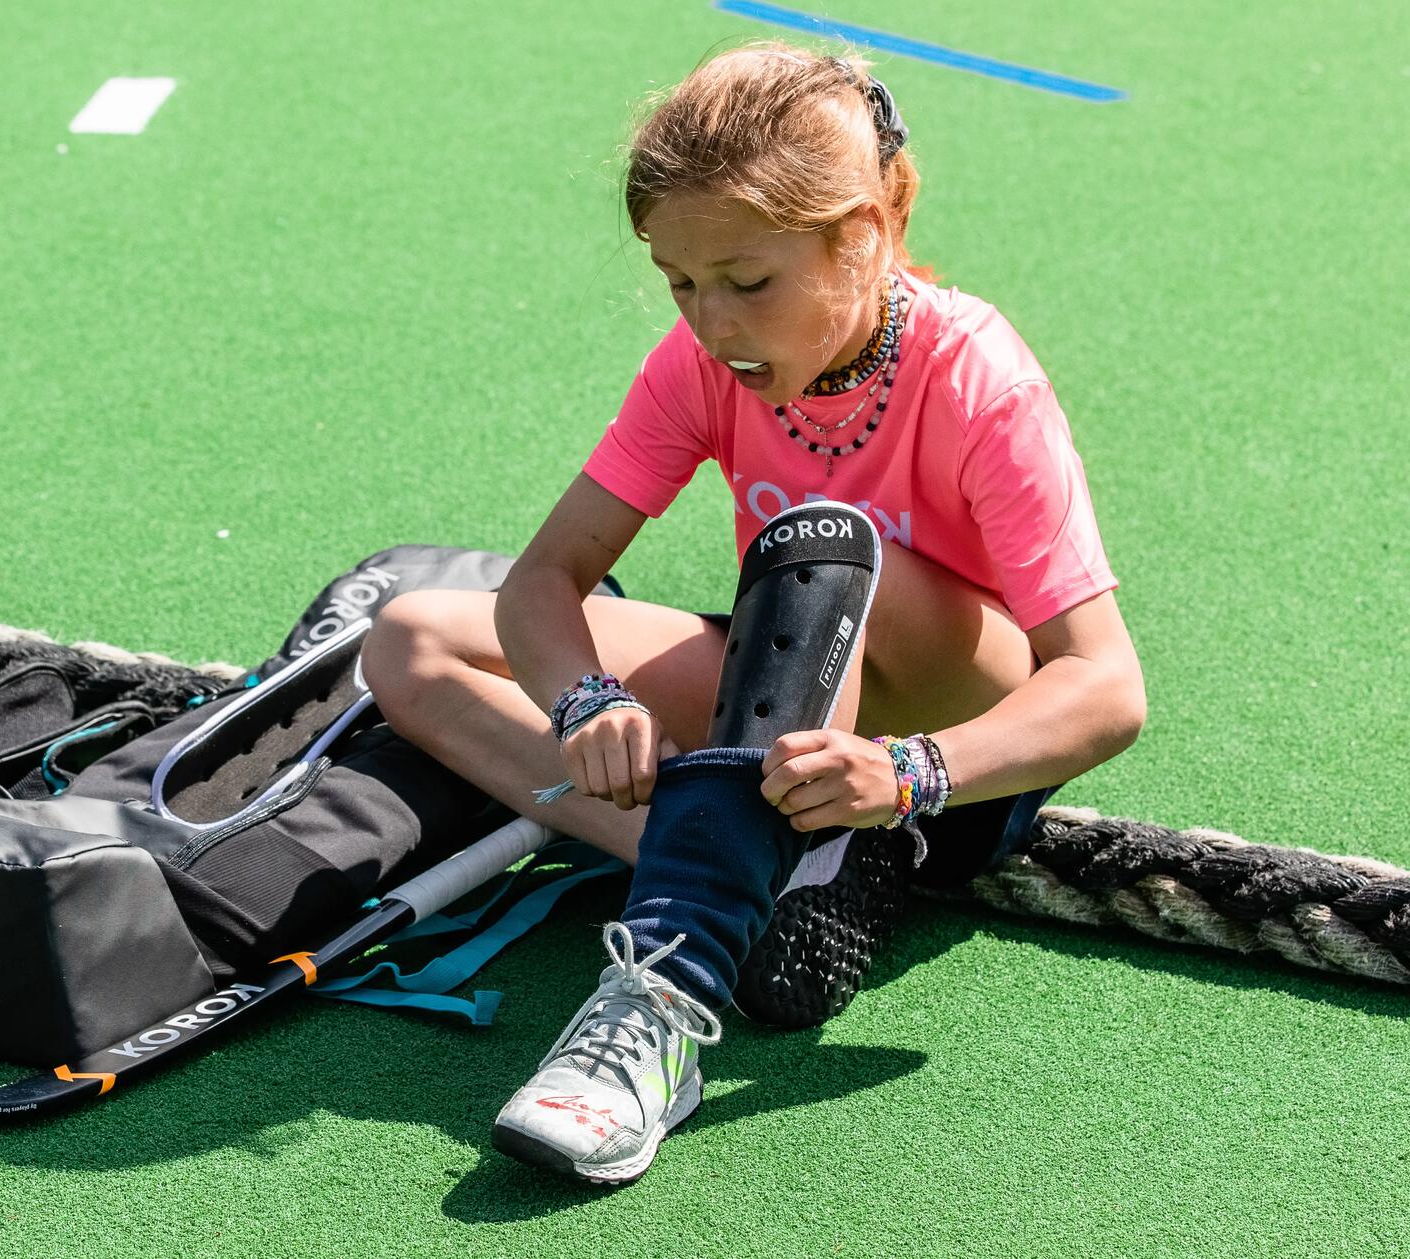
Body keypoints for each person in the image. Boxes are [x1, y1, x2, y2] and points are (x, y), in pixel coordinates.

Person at [359, 40, 1146, 1184]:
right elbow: (542, 583)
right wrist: (582, 700)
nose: (712, 323)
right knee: (411, 637)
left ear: (867, 230)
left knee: (826, 545)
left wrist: (915, 772)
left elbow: (1104, 685)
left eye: (747, 281)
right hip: (783, 699)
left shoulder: (979, 376)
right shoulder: (698, 366)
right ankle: (767, 875)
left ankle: (669, 983)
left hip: (957, 753)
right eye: (681, 283)